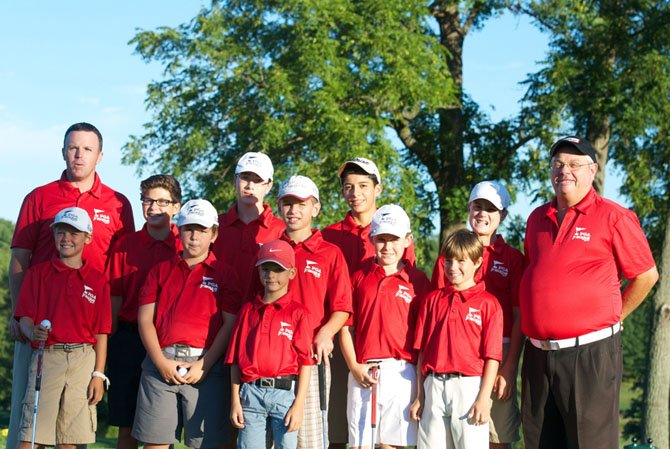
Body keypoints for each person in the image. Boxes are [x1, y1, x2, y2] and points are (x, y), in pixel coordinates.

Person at [519, 136, 659, 449]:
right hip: (538, 356)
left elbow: (646, 275)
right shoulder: (535, 219)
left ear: (592, 170)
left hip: (590, 354)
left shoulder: (614, 216)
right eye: (558, 164)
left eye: (573, 164)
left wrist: (615, 316)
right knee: (540, 443)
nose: (564, 170)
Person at [7, 122, 134, 449]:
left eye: (87, 149)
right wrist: (19, 315)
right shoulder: (39, 197)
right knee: (28, 424)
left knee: (74, 431)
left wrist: (110, 327)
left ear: (100, 155)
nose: (79, 155)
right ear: (63, 151)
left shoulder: (118, 204)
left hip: (85, 334)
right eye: (73, 148)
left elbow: (121, 269)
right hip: (37, 331)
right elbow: (21, 257)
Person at [131, 199, 242, 449]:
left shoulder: (225, 274)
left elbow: (229, 325)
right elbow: (145, 320)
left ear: (213, 234)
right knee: (155, 444)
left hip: (206, 366)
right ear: (179, 230)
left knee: (207, 444)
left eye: (202, 230)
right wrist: (160, 362)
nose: (194, 236)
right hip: (160, 364)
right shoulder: (159, 271)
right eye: (188, 228)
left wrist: (204, 364)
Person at [321, 157, 415, 448]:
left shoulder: (395, 230)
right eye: (348, 186)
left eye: (363, 185)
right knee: (340, 429)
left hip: (386, 352)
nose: (355, 193)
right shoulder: (330, 234)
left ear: (378, 188)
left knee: (386, 438)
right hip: (342, 340)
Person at [430, 181, 524, 448]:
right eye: (477, 206)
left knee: (497, 436)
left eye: (491, 209)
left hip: (499, 353)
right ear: (469, 209)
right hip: (455, 357)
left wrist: (509, 366)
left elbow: (519, 319)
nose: (482, 214)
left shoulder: (513, 259)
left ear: (502, 215)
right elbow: (437, 312)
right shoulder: (448, 256)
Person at [14, 206, 111, 449]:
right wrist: (31, 331)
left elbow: (101, 332)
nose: (66, 238)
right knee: (32, 436)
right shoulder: (38, 273)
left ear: (87, 237)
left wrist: (98, 374)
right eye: (60, 232)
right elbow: (25, 318)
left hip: (82, 360)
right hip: (47, 357)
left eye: (74, 233)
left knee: (70, 440)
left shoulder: (98, 280)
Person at [339, 204, 430, 449]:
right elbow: (345, 326)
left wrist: (420, 391)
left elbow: (424, 338)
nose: (387, 247)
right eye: (381, 239)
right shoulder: (358, 276)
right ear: (371, 239)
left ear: (407, 240)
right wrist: (354, 366)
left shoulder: (419, 281)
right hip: (363, 369)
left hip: (402, 372)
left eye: (394, 239)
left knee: (390, 445)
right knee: (359, 444)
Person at [105, 175, 182, 449]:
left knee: (163, 426)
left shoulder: (184, 245)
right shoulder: (126, 245)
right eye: (148, 200)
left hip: (170, 341)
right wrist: (110, 341)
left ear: (176, 207)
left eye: (162, 202)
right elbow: (114, 296)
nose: (153, 207)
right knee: (128, 424)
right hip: (128, 339)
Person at [276, 175, 353, 449]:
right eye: (287, 203)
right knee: (274, 438)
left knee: (309, 440)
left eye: (301, 204)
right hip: (272, 358)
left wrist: (326, 332)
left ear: (315, 208)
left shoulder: (330, 253)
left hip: (310, 355)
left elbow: (343, 307)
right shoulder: (270, 251)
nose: (294, 210)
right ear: (279, 207)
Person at [411, 229, 503, 449]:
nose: (453, 267)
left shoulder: (488, 304)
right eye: (449, 261)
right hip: (433, 384)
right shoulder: (432, 300)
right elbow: (422, 352)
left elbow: (493, 358)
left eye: (461, 261)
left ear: (477, 262)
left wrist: (483, 399)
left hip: (469, 388)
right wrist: (420, 395)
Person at [226, 240, 314, 449]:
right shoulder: (247, 311)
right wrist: (235, 401)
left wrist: (299, 404)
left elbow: (306, 363)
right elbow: (235, 361)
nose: (271, 275)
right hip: (251, 393)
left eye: (278, 269)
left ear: (291, 273)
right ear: (258, 272)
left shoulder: (298, 313)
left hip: (284, 394)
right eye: (266, 268)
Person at [211, 152, 285, 301]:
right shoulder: (214, 225)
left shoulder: (282, 230)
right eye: (245, 178)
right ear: (235, 180)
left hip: (260, 317)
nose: (250, 185)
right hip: (217, 315)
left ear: (269, 185)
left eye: (258, 180)